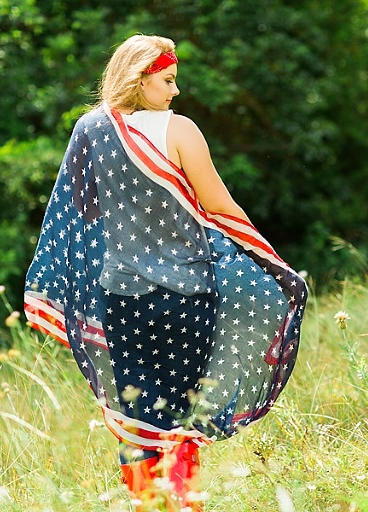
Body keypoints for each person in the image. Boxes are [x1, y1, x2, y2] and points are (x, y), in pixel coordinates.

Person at [24, 34, 307, 511]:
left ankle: (149, 505)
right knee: (180, 415)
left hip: (122, 296)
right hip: (187, 296)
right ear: (140, 78)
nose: (175, 91)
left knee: (136, 414)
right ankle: (183, 504)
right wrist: (266, 257)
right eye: (168, 80)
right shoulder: (180, 131)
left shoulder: (89, 131)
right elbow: (217, 204)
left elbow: (81, 211)